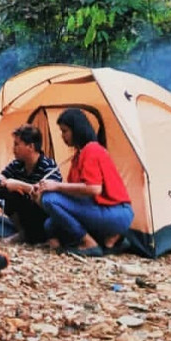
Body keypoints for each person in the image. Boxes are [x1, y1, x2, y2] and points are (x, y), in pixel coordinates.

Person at [34, 108, 133, 257]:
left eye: (65, 131)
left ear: (77, 130)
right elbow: (76, 196)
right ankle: (111, 240)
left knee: (50, 199)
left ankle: (89, 243)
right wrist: (41, 193)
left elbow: (94, 189)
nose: (62, 136)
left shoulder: (91, 150)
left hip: (116, 212)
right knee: (50, 222)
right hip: (103, 210)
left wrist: (56, 187)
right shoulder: (78, 156)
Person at [0, 125, 62, 244]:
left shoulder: (48, 165)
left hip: (43, 213)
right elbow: (2, 177)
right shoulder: (18, 164)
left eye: (17, 144)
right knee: (2, 191)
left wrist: (20, 185)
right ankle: (23, 232)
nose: (13, 148)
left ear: (30, 147)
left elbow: (51, 197)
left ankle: (42, 235)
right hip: (26, 210)